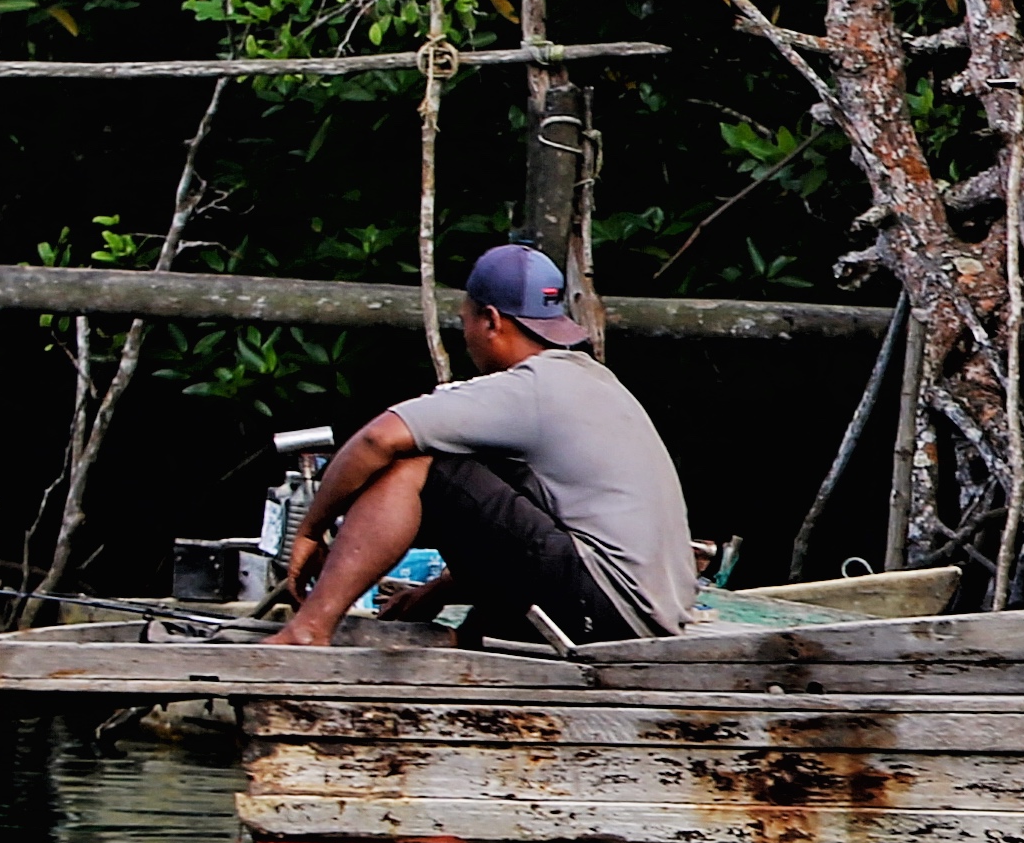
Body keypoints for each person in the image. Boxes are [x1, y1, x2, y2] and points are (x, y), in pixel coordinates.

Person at [265, 242, 701, 649]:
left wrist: (310, 529)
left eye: (467, 321)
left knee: (417, 462)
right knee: (472, 468)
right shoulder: (594, 381)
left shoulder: (532, 388)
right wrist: (436, 591)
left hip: (608, 616)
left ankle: (310, 627)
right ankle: (474, 634)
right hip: (638, 618)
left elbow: (379, 437)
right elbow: (525, 522)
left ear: (491, 320)